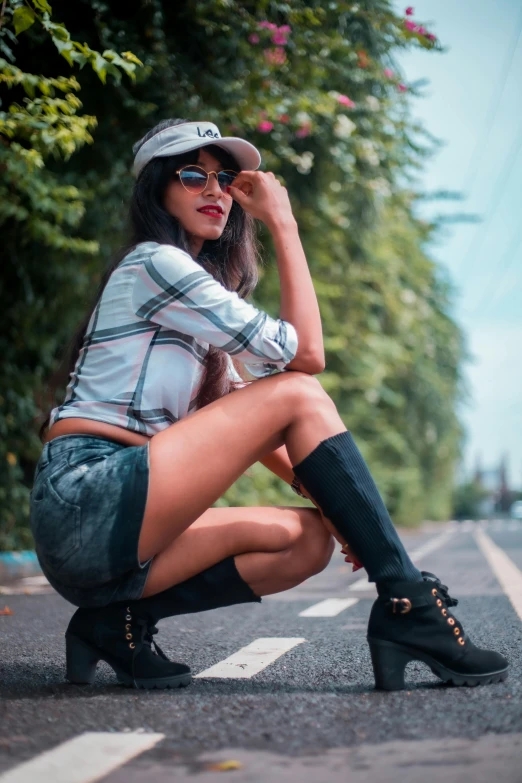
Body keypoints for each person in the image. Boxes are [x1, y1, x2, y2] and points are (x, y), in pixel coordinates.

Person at [31, 119, 508, 692]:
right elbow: (305, 357)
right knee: (298, 388)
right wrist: (283, 222)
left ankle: (115, 622)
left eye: (224, 178)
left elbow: (258, 417)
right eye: (192, 176)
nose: (215, 191)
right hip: (87, 495)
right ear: (157, 189)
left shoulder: (195, 302)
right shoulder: (155, 264)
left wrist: (342, 512)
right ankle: (408, 601)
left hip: (126, 527)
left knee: (307, 542)